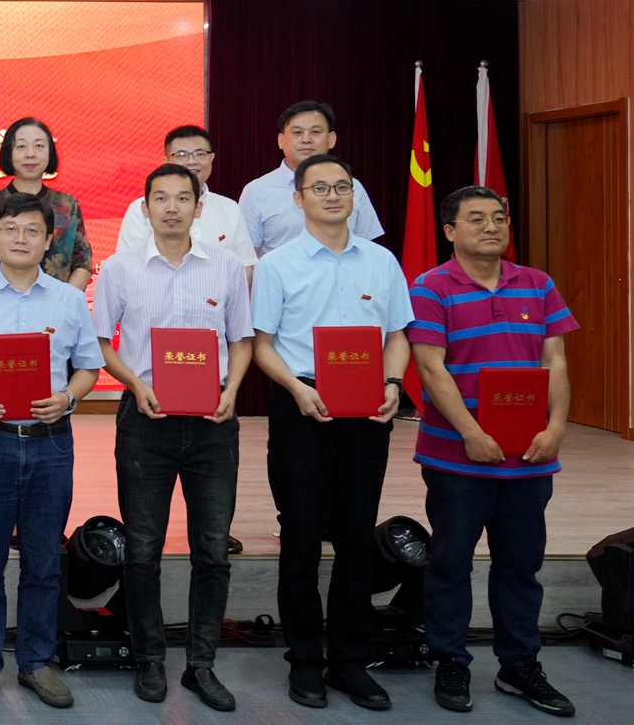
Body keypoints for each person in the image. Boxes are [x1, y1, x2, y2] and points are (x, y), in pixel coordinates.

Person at [408, 186, 578, 716]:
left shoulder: (538, 284)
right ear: (450, 231)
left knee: (521, 568)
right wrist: (470, 433)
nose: (491, 227)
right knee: (450, 564)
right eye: (476, 219)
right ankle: (450, 661)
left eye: (499, 218)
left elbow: (555, 360)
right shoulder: (431, 287)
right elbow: (430, 366)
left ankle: (519, 666)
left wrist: (556, 428)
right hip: (457, 459)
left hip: (529, 459)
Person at [0, 192, 104, 710]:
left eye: (33, 230)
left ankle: (36, 662)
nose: (21, 238)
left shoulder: (69, 301)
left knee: (43, 562)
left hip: (51, 444)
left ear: (49, 240)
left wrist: (67, 399)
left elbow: (88, 368)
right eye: (11, 229)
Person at [251, 154, 411, 711]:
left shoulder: (382, 261)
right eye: (320, 188)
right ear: (299, 199)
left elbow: (397, 334)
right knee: (299, 540)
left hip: (367, 411)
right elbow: (262, 345)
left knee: (356, 539)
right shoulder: (278, 265)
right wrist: (296, 389)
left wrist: (393, 382)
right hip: (302, 406)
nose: (333, 195)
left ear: (354, 197)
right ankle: (305, 661)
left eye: (342, 187)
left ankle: (349, 661)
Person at [92, 164, 253, 712]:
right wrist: (135, 383)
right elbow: (100, 342)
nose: (171, 208)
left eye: (183, 198)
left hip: (213, 425)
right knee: (142, 549)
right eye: (160, 198)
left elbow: (241, 338)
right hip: (146, 420)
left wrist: (232, 389)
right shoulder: (120, 268)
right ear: (145, 208)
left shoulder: (226, 267)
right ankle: (150, 658)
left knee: (213, 550)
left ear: (198, 208)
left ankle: (201, 665)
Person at [238, 102, 384, 257]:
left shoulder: (352, 187)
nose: (306, 139)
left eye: (315, 132)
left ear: (331, 139)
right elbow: (247, 258)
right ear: (281, 141)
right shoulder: (257, 191)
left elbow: (366, 249)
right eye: (297, 133)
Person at [115, 125, 258, 281]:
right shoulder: (141, 209)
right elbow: (128, 267)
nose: (191, 161)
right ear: (166, 161)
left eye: (199, 154)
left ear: (211, 158)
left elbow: (245, 267)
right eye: (182, 155)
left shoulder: (229, 208)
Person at [0, 117, 91, 288]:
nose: (30, 154)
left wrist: (65, 300)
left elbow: (82, 262)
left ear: (50, 153)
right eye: (21, 146)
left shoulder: (67, 205)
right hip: (4, 302)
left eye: (39, 146)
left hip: (58, 302)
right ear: (8, 153)